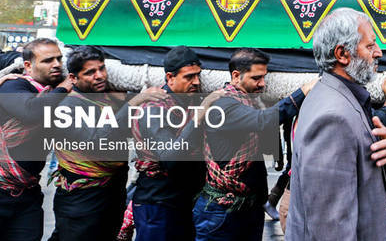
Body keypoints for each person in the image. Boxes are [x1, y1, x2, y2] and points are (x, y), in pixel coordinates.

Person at [285, 8, 386, 241]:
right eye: (370, 46)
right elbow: (330, 226)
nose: (379, 53)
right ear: (342, 54)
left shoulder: (336, 95)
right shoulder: (333, 117)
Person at [192, 48, 316, 241]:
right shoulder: (223, 104)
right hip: (221, 213)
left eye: (264, 77)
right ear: (236, 76)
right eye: (256, 78)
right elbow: (264, 121)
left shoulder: (250, 104)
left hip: (247, 210)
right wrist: (303, 92)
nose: (263, 84)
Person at [52, 46, 167, 241]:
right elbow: (98, 140)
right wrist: (135, 101)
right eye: (90, 72)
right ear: (73, 78)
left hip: (111, 195)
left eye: (101, 69)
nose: (99, 76)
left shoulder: (107, 98)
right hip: (81, 201)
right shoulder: (68, 107)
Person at [131, 46, 223, 241]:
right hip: (158, 204)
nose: (196, 82)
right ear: (170, 78)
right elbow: (171, 159)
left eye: (198, 75)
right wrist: (199, 115)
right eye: (189, 77)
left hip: (184, 201)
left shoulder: (188, 101)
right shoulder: (154, 109)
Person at [0, 38, 73, 240]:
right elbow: (31, 111)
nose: (56, 64)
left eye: (59, 58)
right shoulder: (13, 86)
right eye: (48, 60)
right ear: (28, 66)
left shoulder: (54, 92)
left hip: (27, 195)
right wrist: (64, 88)